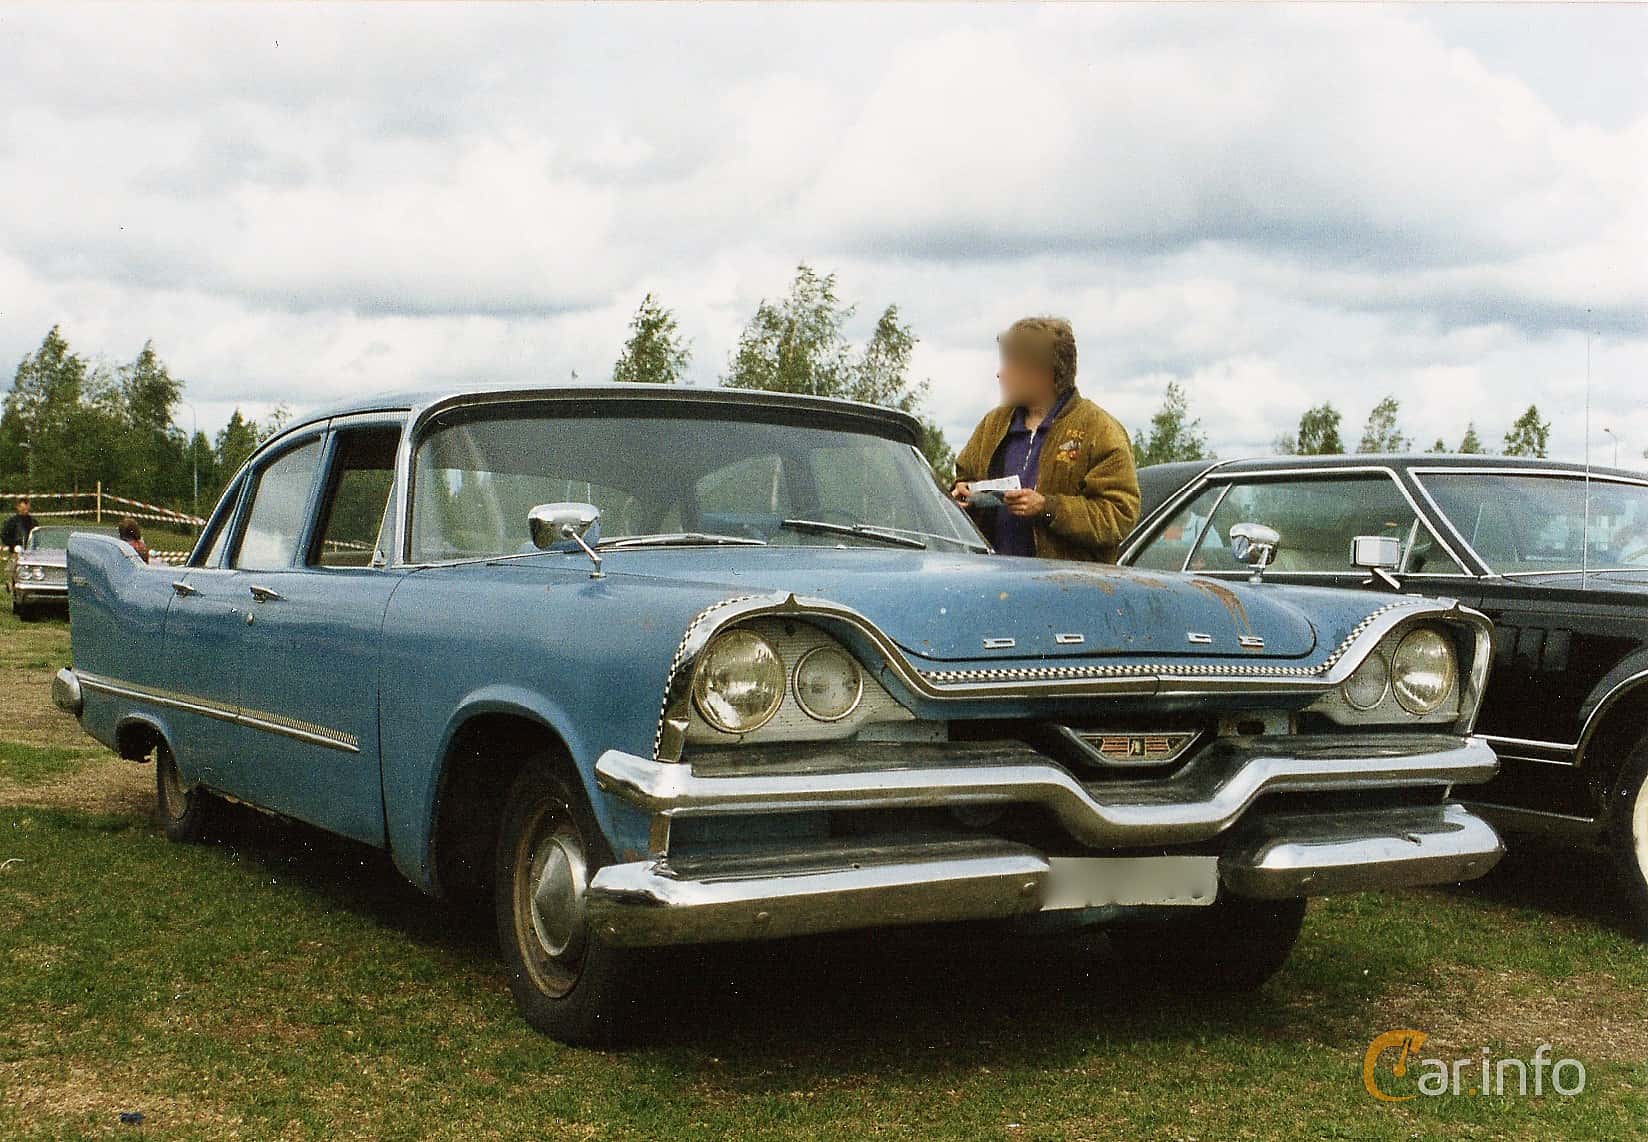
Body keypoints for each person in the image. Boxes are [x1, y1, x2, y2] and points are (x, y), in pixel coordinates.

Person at [951, 317, 1139, 562]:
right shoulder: (992, 425)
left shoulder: (1099, 430)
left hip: (1065, 589)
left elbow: (1118, 515)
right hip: (992, 583)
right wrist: (960, 495)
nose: (1000, 374)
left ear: (1041, 372)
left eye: (1011, 364)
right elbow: (962, 479)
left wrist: (1047, 508)